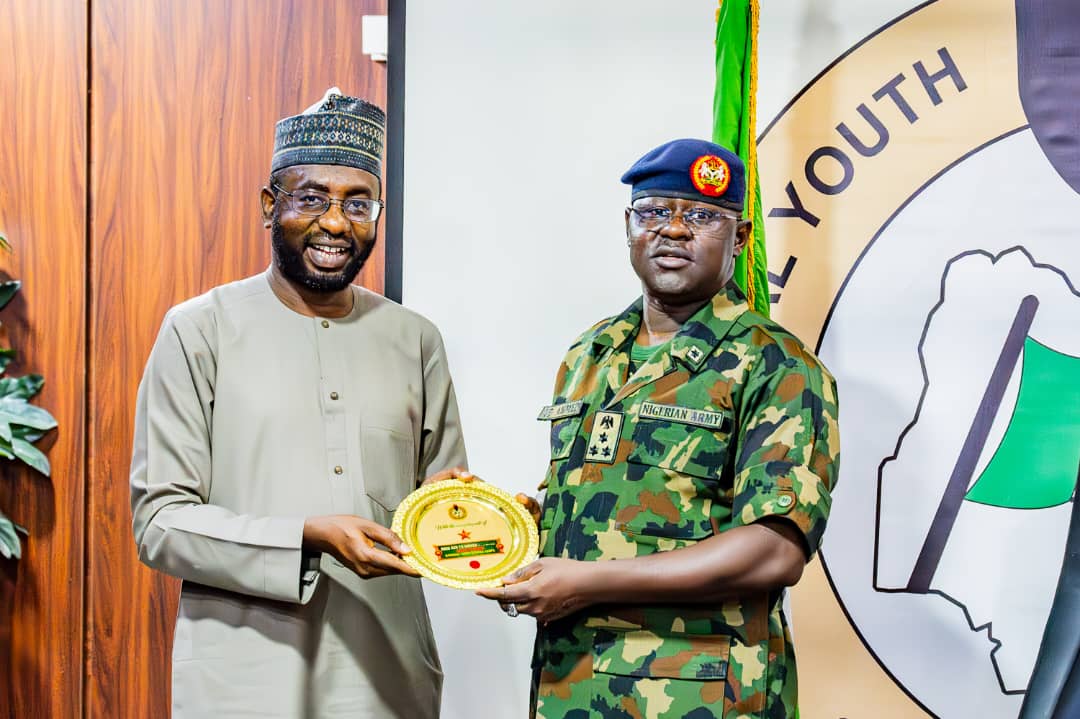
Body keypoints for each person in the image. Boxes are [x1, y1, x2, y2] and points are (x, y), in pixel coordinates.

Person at [130, 89, 467, 718]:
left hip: (385, 673)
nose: (336, 223)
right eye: (312, 198)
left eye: (358, 204)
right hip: (244, 677)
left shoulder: (415, 339)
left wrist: (490, 519)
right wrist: (306, 538)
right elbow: (161, 523)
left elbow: (439, 506)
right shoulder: (199, 330)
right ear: (269, 205)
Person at [478, 138, 840, 718]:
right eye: (653, 212)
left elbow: (773, 552)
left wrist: (588, 581)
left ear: (740, 238)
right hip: (572, 688)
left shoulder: (775, 364)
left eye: (701, 216)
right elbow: (615, 512)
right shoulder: (588, 355)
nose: (673, 230)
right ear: (629, 226)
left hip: (699, 695)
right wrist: (507, 527)